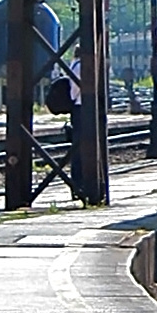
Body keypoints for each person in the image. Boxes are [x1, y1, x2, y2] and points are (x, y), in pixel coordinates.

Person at [69, 46, 83, 199]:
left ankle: (78, 183)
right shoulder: (80, 67)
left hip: (78, 106)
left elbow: (73, 91)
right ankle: (79, 183)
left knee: (78, 146)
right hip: (81, 106)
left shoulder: (75, 65)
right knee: (80, 146)